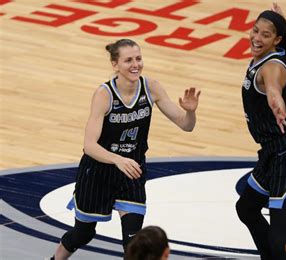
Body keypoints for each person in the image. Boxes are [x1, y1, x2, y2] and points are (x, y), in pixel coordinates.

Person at [50, 39, 200, 259]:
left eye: (138, 58)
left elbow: (186, 126)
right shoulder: (104, 95)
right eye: (128, 60)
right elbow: (89, 146)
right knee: (83, 233)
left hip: (131, 172)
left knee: (132, 241)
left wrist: (190, 112)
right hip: (98, 172)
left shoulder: (151, 87)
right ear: (115, 64)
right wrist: (118, 159)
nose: (135, 65)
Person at [235, 3, 286, 259]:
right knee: (246, 208)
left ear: (276, 40)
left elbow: (272, 88)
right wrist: (278, 19)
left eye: (265, 35)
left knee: (281, 242)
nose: (256, 38)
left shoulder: (272, 67)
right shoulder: (275, 52)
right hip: (272, 150)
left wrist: (276, 103)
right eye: (255, 30)